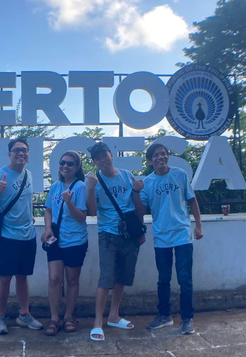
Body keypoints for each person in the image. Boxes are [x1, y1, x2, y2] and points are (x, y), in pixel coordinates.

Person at [137, 143, 203, 335]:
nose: (161, 157)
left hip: (182, 234)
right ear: (149, 161)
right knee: (163, 279)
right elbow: (141, 211)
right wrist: (136, 191)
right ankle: (165, 316)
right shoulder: (147, 183)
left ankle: (187, 319)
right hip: (161, 237)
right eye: (156, 155)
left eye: (163, 154)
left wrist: (198, 225)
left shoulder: (180, 174)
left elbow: (192, 200)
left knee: (185, 279)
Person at [85, 141, 146, 342]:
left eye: (104, 155)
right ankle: (97, 322)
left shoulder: (126, 175)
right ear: (95, 161)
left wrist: (140, 228)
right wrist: (90, 189)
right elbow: (92, 212)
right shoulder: (95, 181)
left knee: (122, 277)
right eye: (97, 158)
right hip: (108, 233)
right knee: (106, 278)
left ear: (111, 155)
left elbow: (137, 206)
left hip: (129, 234)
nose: (102, 160)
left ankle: (114, 315)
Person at [0, 138, 43, 334]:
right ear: (9, 154)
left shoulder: (29, 175)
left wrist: (30, 214)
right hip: (7, 235)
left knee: (23, 276)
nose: (21, 153)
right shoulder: (0, 174)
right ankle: (0, 317)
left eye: (24, 150)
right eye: (16, 150)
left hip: (27, 234)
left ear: (28, 154)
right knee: (5, 277)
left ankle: (24, 314)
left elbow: (27, 199)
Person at [40, 151, 88, 335]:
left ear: (77, 168)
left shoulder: (81, 187)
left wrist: (69, 202)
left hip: (75, 240)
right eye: (62, 162)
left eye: (70, 163)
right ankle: (54, 317)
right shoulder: (55, 187)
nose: (65, 166)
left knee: (72, 279)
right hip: (56, 239)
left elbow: (81, 217)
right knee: (54, 279)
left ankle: (68, 316)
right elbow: (48, 210)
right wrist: (47, 228)